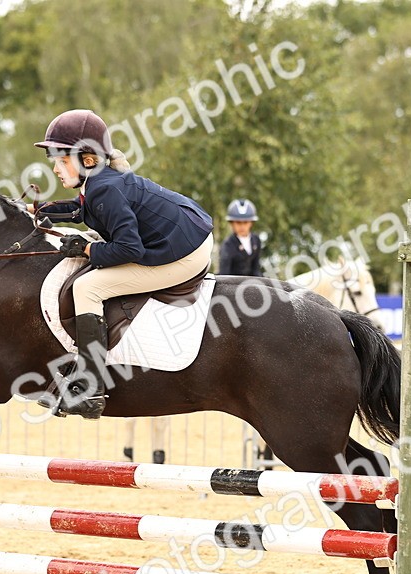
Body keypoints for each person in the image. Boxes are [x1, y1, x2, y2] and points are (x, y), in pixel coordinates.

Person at [31, 109, 214, 419]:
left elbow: (129, 248)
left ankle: (90, 390)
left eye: (62, 161)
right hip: (187, 234)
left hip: (186, 253)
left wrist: (89, 249)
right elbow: (81, 208)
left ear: (87, 160)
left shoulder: (106, 187)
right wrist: (34, 209)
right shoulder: (98, 183)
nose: (56, 169)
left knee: (87, 288)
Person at [217, 199, 262, 277]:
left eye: (245, 222)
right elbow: (224, 274)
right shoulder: (228, 245)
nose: (242, 226)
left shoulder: (256, 240)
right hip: (233, 285)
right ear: (232, 223)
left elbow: (256, 269)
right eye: (238, 222)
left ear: (251, 223)